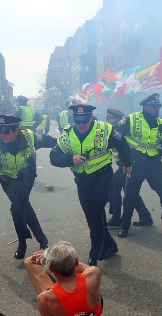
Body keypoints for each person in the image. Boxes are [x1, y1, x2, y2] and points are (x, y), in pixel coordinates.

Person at [50, 104, 132, 266]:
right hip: (82, 181)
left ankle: (95, 254)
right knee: (92, 217)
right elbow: (53, 157)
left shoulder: (105, 129)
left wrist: (127, 163)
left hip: (102, 177)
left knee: (95, 212)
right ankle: (111, 246)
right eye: (78, 121)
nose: (81, 124)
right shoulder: (67, 134)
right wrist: (70, 159)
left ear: (91, 117)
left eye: (85, 120)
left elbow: (123, 144)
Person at [0, 241, 102, 316]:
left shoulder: (46, 299)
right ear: (76, 262)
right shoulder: (94, 273)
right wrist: (55, 259)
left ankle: (59, 278)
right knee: (74, 280)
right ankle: (62, 272)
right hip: (94, 315)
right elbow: (80, 267)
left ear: (50, 268)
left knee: (29, 261)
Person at [0, 115, 57, 259]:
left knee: (17, 208)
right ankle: (42, 240)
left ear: (16, 130)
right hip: (7, 180)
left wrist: (62, 145)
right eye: (0, 131)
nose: (2, 135)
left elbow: (46, 140)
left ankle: (23, 244)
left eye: (6, 132)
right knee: (23, 207)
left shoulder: (29, 137)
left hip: (25, 176)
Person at [115, 93, 162, 238]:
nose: (157, 109)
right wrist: (121, 153)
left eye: (158, 106)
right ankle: (125, 226)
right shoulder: (132, 119)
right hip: (136, 163)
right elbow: (115, 133)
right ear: (146, 107)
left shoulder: (161, 124)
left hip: (153, 165)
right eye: (154, 106)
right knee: (130, 196)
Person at [105, 108, 152, 229]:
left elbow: (127, 148)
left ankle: (116, 218)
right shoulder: (113, 129)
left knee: (114, 185)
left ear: (116, 119)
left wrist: (120, 156)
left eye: (109, 118)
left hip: (130, 163)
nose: (107, 120)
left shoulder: (121, 130)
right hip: (127, 163)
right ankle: (145, 216)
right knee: (130, 191)